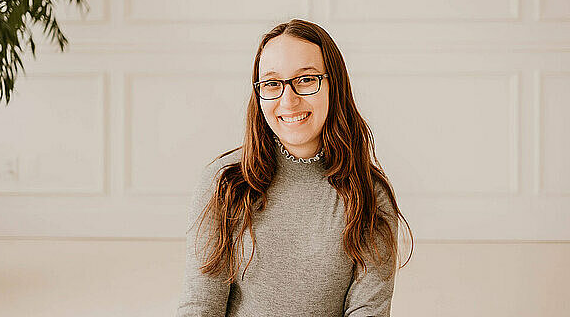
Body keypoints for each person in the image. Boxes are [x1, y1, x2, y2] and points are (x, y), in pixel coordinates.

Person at [176, 19, 413, 316]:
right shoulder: (225, 181)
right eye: (273, 83)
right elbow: (200, 305)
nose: (288, 101)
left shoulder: (369, 194)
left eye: (306, 79)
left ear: (333, 85)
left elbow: (368, 311)